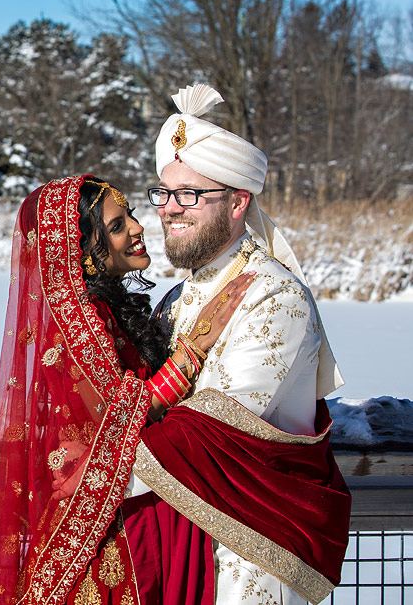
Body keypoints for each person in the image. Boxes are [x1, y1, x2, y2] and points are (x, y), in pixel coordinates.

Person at [0, 174, 253, 604]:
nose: (138, 228)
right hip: (108, 539)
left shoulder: (105, 308)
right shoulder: (79, 320)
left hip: (133, 514)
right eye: (117, 226)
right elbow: (123, 415)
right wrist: (194, 350)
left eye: (131, 216)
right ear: (80, 253)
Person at [136, 83, 350, 603]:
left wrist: (89, 471)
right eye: (163, 193)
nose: (169, 209)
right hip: (179, 541)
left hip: (253, 555)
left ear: (237, 202)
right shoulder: (173, 300)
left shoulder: (276, 297)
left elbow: (210, 430)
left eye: (190, 194)